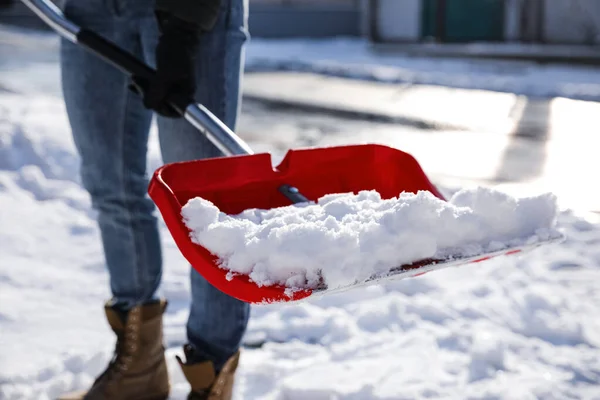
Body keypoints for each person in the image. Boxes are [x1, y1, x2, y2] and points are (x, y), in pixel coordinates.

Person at [57, 0, 250, 399]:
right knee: (108, 182)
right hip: (90, 9)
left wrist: (185, 27)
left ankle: (210, 376)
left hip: (188, 14)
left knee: (202, 200)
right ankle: (138, 370)